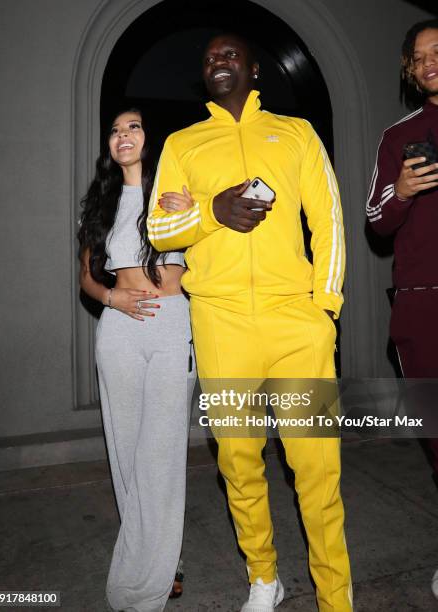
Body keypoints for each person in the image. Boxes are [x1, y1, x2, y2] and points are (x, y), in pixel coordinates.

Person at [148, 33, 352, 612]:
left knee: (316, 468)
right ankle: (265, 577)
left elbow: (329, 220)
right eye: (209, 56)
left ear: (254, 68)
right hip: (221, 322)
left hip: (297, 325)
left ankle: (336, 598)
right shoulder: (184, 144)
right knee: (238, 460)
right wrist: (211, 211)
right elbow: (159, 232)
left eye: (230, 54)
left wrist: (325, 308)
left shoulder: (295, 133)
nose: (217, 60)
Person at [78, 107, 196, 612]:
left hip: (172, 327)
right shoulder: (99, 203)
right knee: (125, 453)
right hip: (119, 331)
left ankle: (157, 564)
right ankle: (152, 559)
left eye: (134, 127)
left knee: (161, 455)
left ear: (152, 139)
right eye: (115, 129)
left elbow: (209, 254)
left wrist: (193, 210)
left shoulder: (177, 191)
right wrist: (112, 299)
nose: (122, 136)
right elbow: (86, 277)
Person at [366, 19, 438, 601]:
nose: (429, 61)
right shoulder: (399, 136)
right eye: (418, 57)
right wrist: (404, 192)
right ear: (410, 72)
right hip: (423, 306)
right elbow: (376, 220)